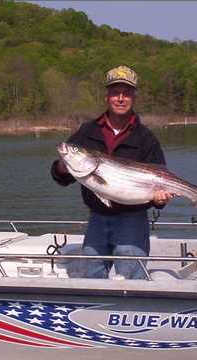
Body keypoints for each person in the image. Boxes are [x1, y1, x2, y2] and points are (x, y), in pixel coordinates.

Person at [51, 65, 174, 279]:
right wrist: (62, 167)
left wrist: (159, 200)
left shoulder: (146, 138)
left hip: (133, 220)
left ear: (133, 97)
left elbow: (159, 181)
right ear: (107, 96)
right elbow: (61, 177)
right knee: (91, 276)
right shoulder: (87, 131)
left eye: (126, 93)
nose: (120, 98)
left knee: (133, 281)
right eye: (115, 93)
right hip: (97, 218)